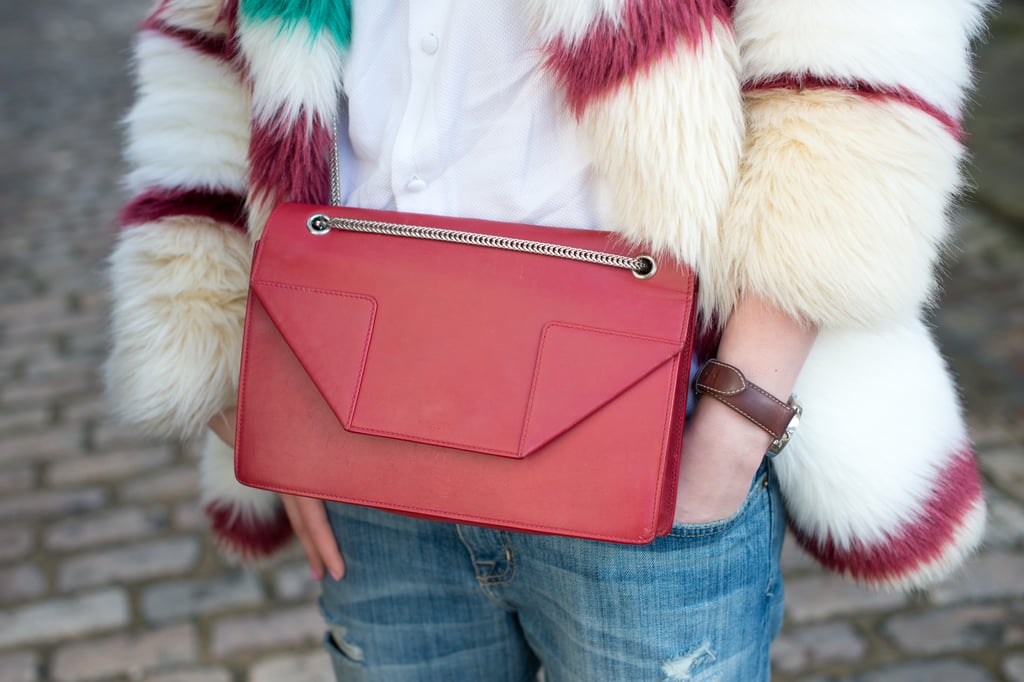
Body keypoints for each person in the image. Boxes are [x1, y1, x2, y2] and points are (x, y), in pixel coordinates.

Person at [107, 1, 990, 679]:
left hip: (650, 434)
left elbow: (851, 77)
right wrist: (247, 395)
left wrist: (730, 427)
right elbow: (204, 48)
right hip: (354, 417)